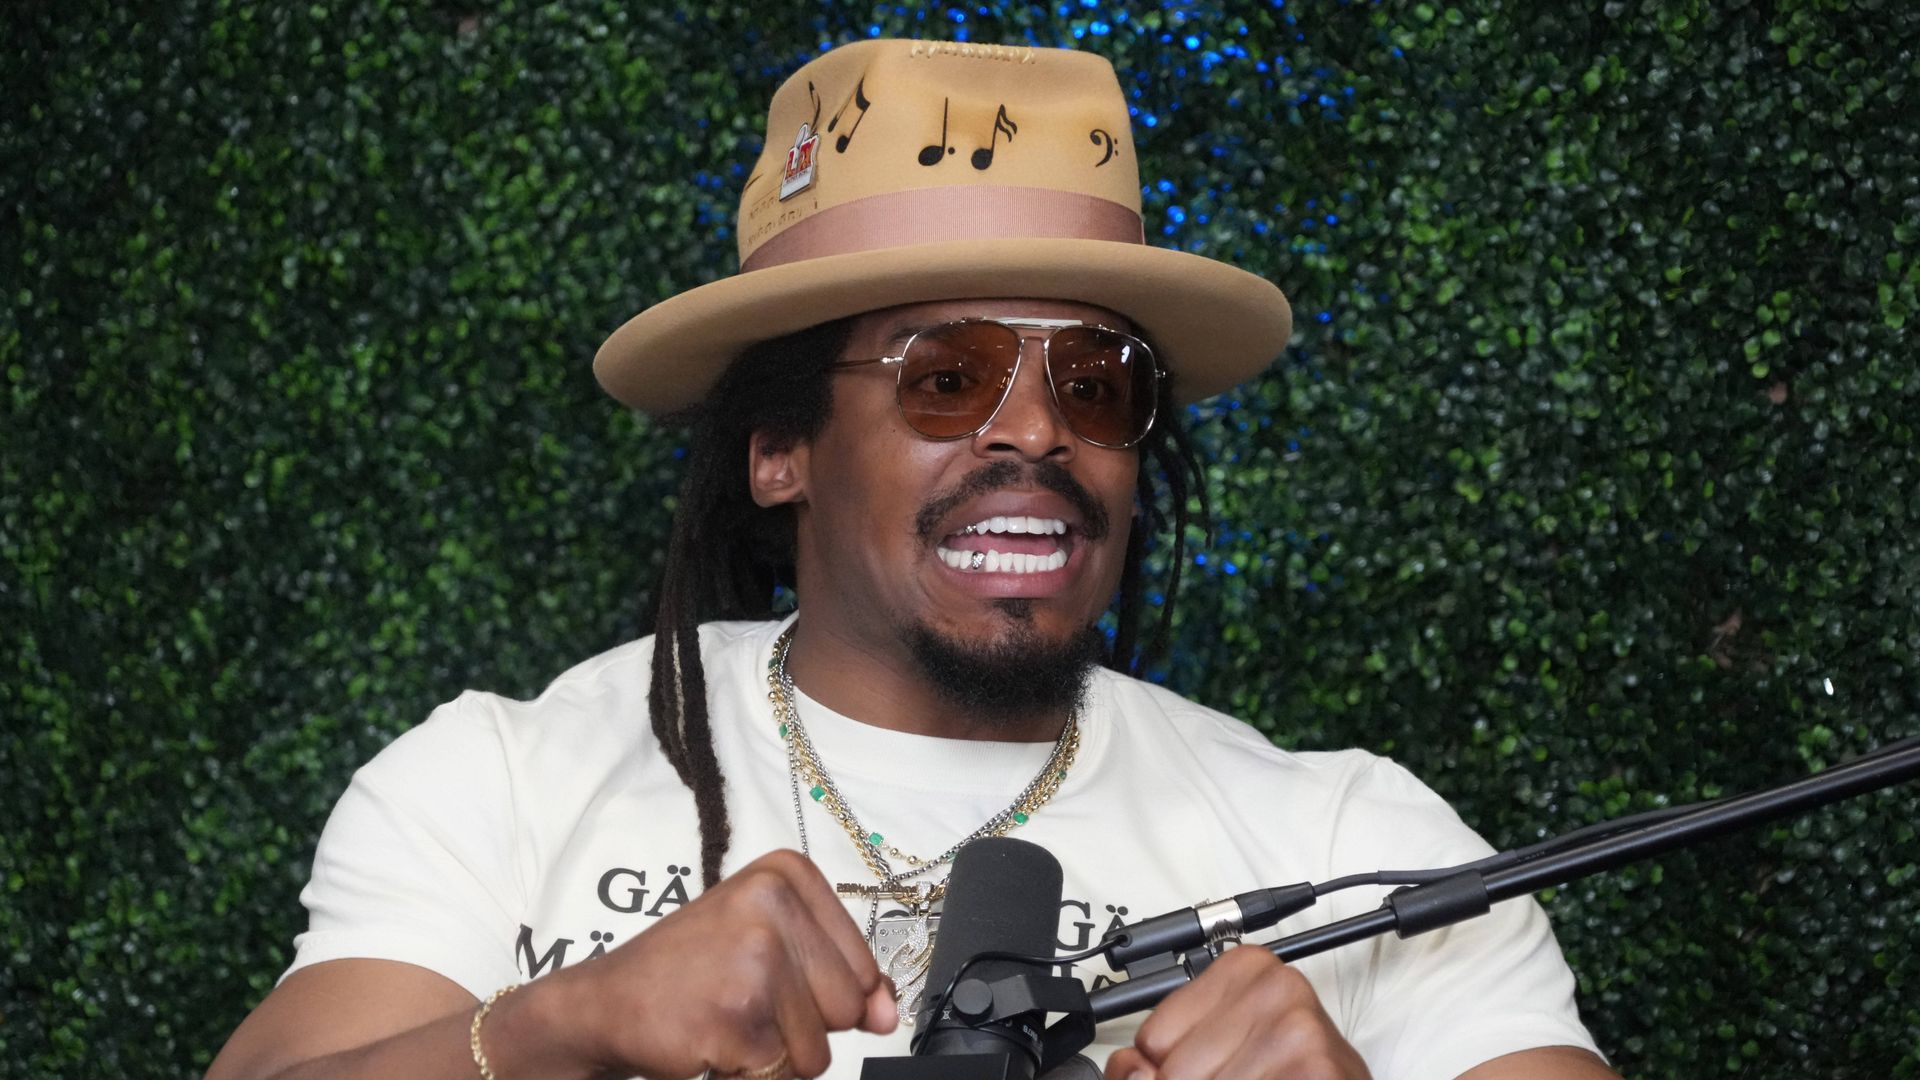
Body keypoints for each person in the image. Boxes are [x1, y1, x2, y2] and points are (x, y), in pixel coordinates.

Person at [208, 39, 1619, 1080]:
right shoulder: (502, 782)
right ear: (781, 446)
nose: (1038, 432)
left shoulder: (1358, 847)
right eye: (948, 377)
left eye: (1096, 383)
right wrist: (553, 1029)